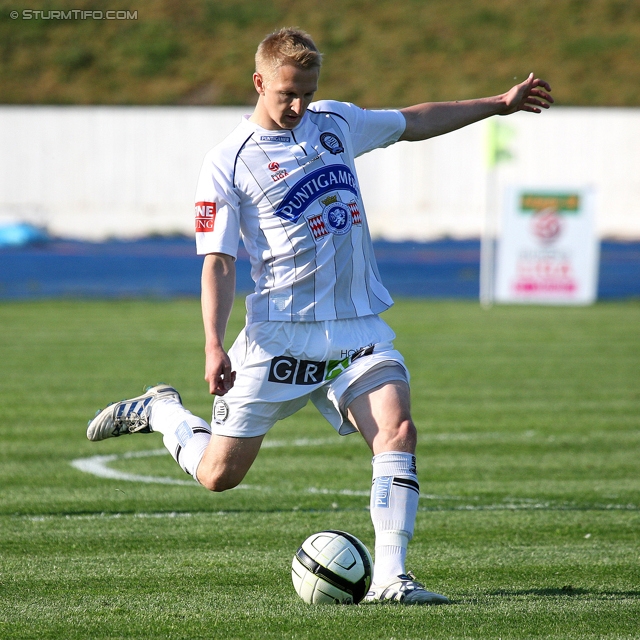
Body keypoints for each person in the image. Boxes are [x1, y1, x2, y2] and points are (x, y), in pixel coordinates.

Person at [87, 27, 552, 605]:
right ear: (259, 83)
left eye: (308, 91)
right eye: (287, 94)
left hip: (356, 327)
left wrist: (499, 105)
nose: (299, 106)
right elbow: (219, 263)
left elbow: (413, 120)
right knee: (218, 475)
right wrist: (213, 344)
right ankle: (162, 411)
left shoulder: (334, 122)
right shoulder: (228, 162)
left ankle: (392, 579)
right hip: (279, 337)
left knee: (397, 431)